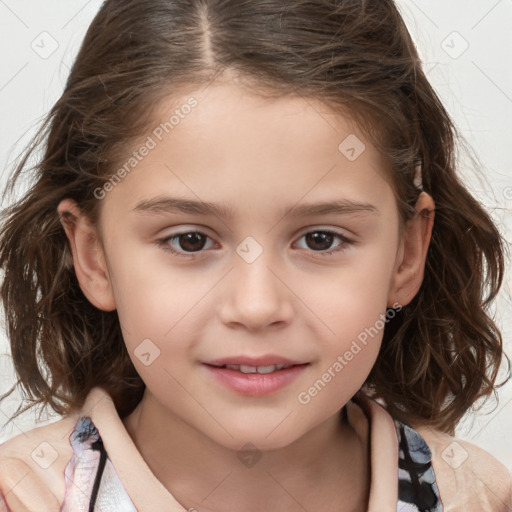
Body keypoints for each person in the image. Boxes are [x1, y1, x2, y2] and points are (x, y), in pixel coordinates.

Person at [0, 1, 510, 511]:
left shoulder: (480, 497)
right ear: (94, 257)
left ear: (406, 254)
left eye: (320, 239)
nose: (257, 306)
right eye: (190, 240)